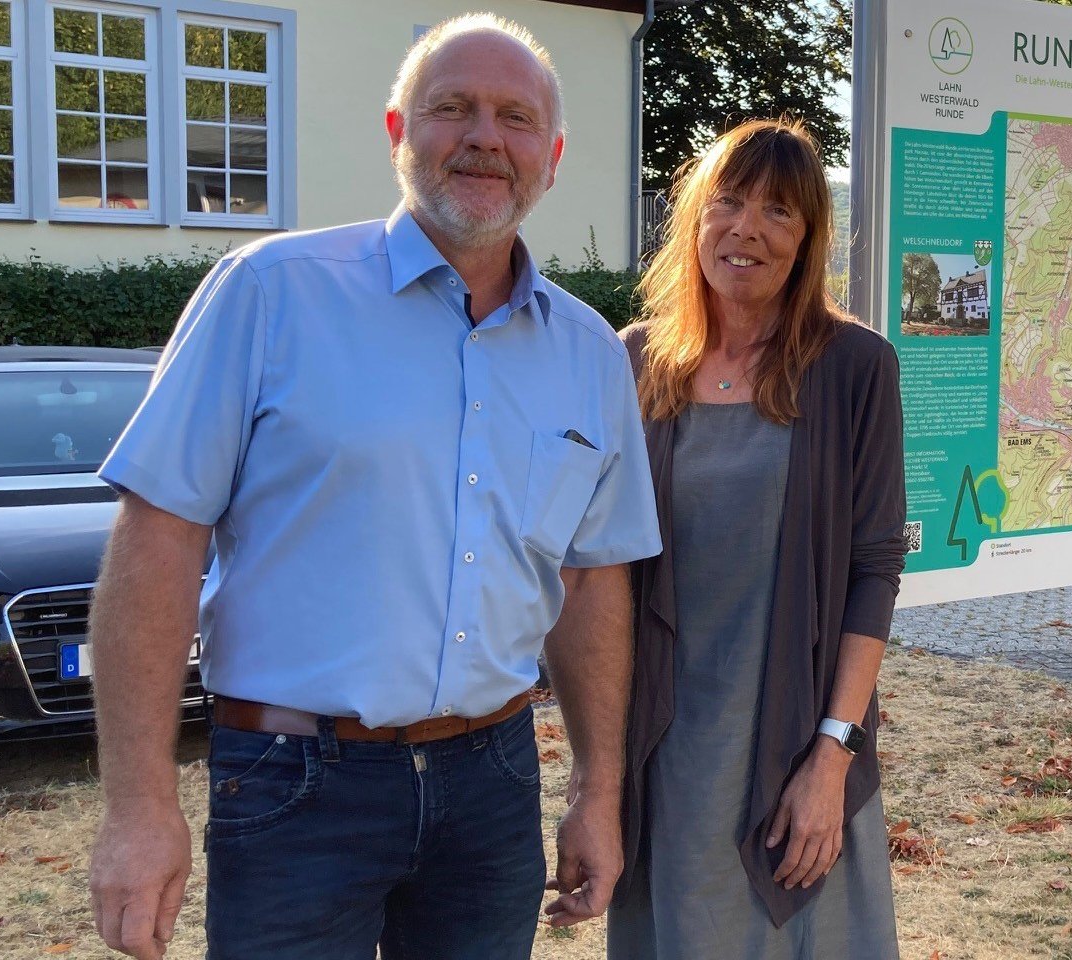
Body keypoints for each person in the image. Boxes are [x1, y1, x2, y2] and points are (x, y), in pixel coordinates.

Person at [83, 15, 659, 959]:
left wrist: (597, 792)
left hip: (493, 784)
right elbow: (158, 537)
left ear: (552, 157)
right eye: (452, 108)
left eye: (516, 118)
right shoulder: (270, 293)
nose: (485, 137)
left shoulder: (590, 353)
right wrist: (139, 806)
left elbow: (592, 580)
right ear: (398, 132)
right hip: (294, 782)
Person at [610, 118, 906, 959]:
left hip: (796, 744)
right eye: (728, 202)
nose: (747, 229)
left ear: (808, 236)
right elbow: (596, 566)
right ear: (695, 217)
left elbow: (875, 570)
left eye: (778, 210)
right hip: (669, 750)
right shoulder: (635, 362)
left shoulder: (855, 366)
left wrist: (832, 758)